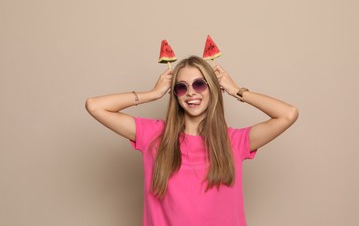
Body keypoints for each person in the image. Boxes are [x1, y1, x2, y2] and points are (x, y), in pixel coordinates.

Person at [85, 55, 298, 226]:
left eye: (199, 84)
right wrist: (153, 94)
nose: (190, 93)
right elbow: (95, 106)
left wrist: (236, 91)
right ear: (175, 94)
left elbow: (288, 114)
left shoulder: (234, 141)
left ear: (212, 89)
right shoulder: (154, 135)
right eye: (181, 87)